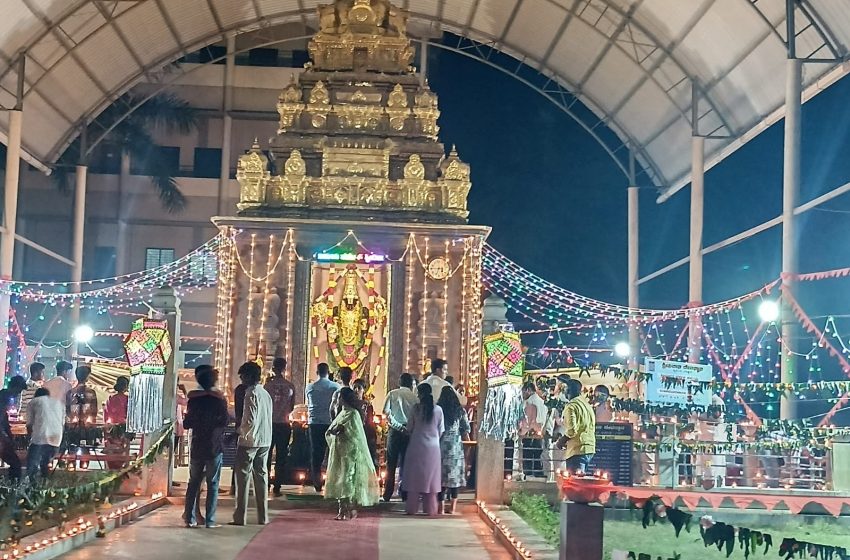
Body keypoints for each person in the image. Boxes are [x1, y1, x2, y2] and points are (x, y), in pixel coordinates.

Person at [183, 365, 229, 529]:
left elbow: (187, 423)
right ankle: (210, 520)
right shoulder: (220, 400)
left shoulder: (194, 400)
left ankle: (189, 518)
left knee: (193, 482)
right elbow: (225, 421)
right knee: (213, 484)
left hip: (197, 445)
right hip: (214, 446)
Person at [324, 387, 380, 520]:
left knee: (347, 479)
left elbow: (356, 434)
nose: (338, 400)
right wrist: (334, 431)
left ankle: (349, 509)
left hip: (350, 452)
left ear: (344, 399)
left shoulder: (354, 413)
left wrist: (343, 429)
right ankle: (342, 510)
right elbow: (331, 429)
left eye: (340, 397)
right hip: (339, 451)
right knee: (339, 478)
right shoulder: (342, 412)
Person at [232, 361, 273, 526]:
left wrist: (238, 433)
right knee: (261, 477)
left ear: (249, 376)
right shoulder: (265, 393)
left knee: (242, 479)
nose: (241, 379)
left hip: (249, 441)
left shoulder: (251, 393)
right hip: (265, 439)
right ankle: (263, 517)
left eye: (242, 376)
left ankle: (240, 517)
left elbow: (249, 420)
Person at [402, 383, 444, 516]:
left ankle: (412, 509)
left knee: (414, 478)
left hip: (416, 445)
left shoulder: (416, 409)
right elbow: (441, 430)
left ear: (419, 394)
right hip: (433, 448)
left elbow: (409, 428)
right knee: (431, 479)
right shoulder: (438, 410)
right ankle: (430, 509)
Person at [382, 372, 417, 502]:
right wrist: (408, 428)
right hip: (409, 432)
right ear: (411, 384)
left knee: (391, 462)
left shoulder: (392, 394)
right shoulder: (415, 397)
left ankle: (388, 492)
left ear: (399, 382)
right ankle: (405, 492)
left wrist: (397, 425)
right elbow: (416, 416)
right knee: (406, 463)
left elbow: (385, 412)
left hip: (394, 432)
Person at [305, 363, 340, 492]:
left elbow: (309, 404)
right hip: (329, 423)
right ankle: (332, 481)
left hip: (314, 423)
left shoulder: (310, 387)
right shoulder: (335, 386)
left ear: (317, 372)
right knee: (332, 452)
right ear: (328, 372)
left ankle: (317, 482)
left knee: (316, 453)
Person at [264, 357, 295, 496]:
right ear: (284, 368)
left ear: (273, 367)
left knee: (267, 454)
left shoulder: (267, 386)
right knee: (281, 455)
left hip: (269, 423)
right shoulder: (290, 386)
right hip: (284, 423)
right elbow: (292, 407)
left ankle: (264, 482)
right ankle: (277, 485)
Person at [437, 386, 470, 514]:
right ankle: (453, 508)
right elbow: (466, 428)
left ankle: (441, 507)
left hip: (441, 445)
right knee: (454, 478)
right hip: (455, 446)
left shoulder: (438, 410)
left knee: (441, 477)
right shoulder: (460, 411)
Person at [556, 379, 596, 474]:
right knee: (581, 480)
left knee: (575, 483)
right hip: (589, 448)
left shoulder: (571, 406)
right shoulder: (587, 405)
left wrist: (561, 441)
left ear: (568, 390)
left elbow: (572, 430)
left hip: (577, 450)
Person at [26, 387, 64, 479]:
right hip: (56, 439)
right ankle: (45, 484)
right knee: (45, 463)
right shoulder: (59, 403)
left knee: (32, 465)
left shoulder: (34, 402)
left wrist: (29, 438)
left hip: (40, 437)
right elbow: (62, 423)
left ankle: (32, 488)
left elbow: (29, 424)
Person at [0, 376, 27, 480]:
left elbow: (5, 421)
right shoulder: (3, 397)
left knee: (15, 464)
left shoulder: (4, 397)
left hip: (3, 438)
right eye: (18, 390)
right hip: (1, 439)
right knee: (15, 464)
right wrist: (6, 439)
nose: (18, 394)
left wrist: (10, 436)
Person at [519, 381, 547, 479]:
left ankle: (529, 476)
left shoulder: (529, 402)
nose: (522, 394)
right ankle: (538, 476)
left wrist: (522, 431)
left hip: (529, 432)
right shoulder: (542, 401)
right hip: (539, 431)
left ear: (528, 390)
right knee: (537, 456)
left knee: (528, 457)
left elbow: (528, 419)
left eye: (523, 391)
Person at [103, 376, 130, 470]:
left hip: (111, 429)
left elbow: (106, 414)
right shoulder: (127, 399)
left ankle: (110, 469)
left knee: (111, 450)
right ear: (126, 386)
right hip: (123, 429)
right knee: (123, 451)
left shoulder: (111, 399)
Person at [352, 378, 378, 469]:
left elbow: (369, 422)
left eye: (359, 388)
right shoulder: (350, 404)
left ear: (363, 390)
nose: (356, 390)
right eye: (354, 387)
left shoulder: (367, 405)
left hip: (365, 433)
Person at [175, 384, 189, 466]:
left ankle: (177, 461)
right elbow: (187, 401)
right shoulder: (176, 397)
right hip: (175, 427)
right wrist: (184, 390)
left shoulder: (176, 397)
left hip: (176, 427)